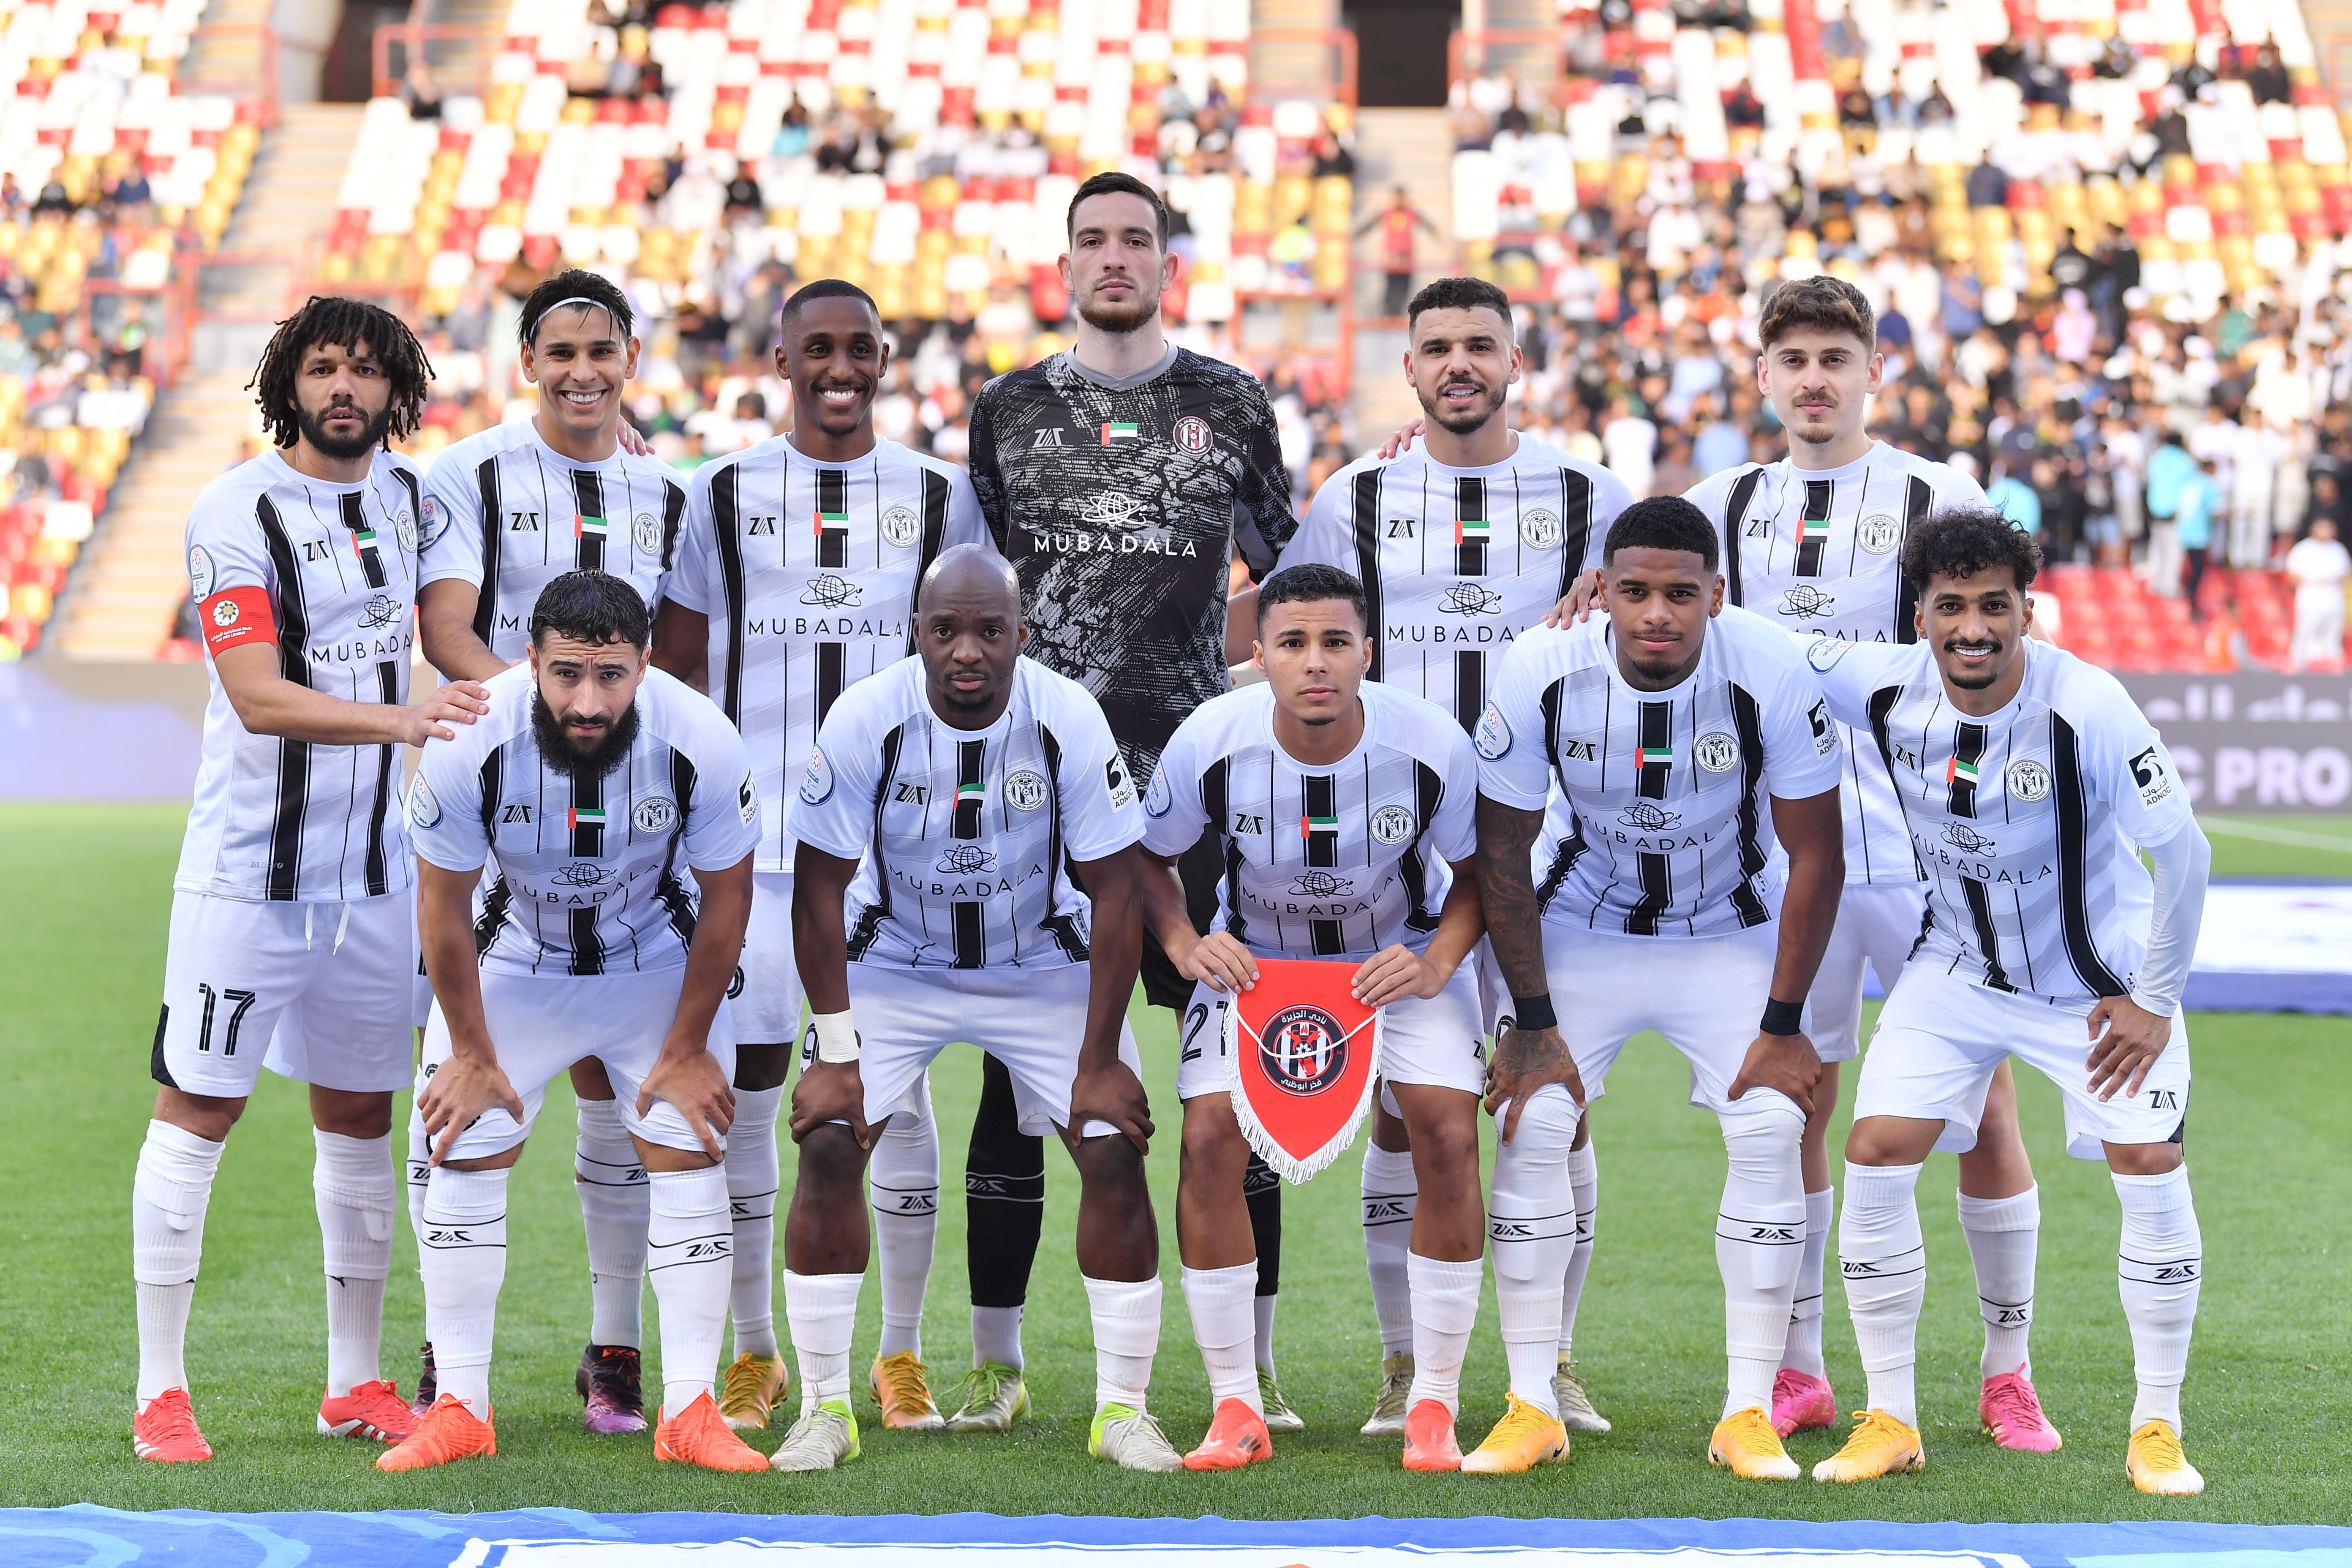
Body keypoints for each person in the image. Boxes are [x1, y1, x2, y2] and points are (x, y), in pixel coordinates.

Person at [1675, 274, 2055, 1450]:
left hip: (1925, 847)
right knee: (1793, 1086)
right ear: (1763, 375)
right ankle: (1799, 1367)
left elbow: (2007, 656)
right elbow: (1641, 601)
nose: (1814, 379)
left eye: (1836, 357)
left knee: (1982, 1096)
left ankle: (2008, 1368)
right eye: (1792, 359)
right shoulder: (1717, 502)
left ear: (1875, 370)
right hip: (1782, 850)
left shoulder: (1940, 494)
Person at [950, 169, 1299, 1432]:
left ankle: (1247, 1357)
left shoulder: (1228, 401)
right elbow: (968, 596)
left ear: (1165, 262)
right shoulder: (1007, 409)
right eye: (1091, 240)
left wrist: (1247, 675)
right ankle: (998, 1362)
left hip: (1200, 794)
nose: (1113, 258)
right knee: (1016, 1077)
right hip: (1040, 799)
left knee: (1234, 1081)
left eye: (1134, 239)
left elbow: (1293, 564)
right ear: (1065, 263)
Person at [131, 297, 487, 1463]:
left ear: (399, 387)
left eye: (367, 370)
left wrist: (617, 436)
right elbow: (254, 692)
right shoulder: (233, 507)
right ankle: (160, 1391)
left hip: (384, 876)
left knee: (358, 1113)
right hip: (250, 872)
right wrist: (403, 723)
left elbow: (451, 633)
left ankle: (354, 1381)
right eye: (325, 367)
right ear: (290, 379)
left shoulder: (420, 499)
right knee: (201, 1105)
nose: (346, 387)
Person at [1799, 507, 2212, 1496]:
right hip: (1957, 969)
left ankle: (2156, 1425)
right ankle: (1889, 1415)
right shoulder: (1885, 686)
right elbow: (1765, 647)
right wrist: (1607, 595)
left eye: (1993, 606)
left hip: (2095, 992)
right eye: (1951, 606)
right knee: (1876, 1144)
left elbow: (2183, 853)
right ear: (1920, 614)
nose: (1972, 627)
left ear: (2028, 612)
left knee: (2146, 1157)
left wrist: (2152, 1002)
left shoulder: (2091, 705)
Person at [1282, 275, 1632, 1439]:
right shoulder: (1358, 496)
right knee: (1403, 1109)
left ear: (1516, 360)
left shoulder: (1593, 496)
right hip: (1405, 854)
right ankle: (1402, 1365)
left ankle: (1555, 1362)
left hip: (1553, 849)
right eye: (1438, 348)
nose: (1459, 365)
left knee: (1557, 1102)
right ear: (1412, 369)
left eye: (1481, 344)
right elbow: (1303, 635)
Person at [653, 278, 989, 1435]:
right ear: (782, 360)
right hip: (754, 860)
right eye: (817, 351)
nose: (839, 369)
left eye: (860, 350)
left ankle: (899, 1356)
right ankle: (756, 1354)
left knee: (890, 1101)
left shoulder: (943, 498)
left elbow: (972, 666)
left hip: (894, 858)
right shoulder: (724, 493)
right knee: (749, 1099)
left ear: (888, 359)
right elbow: (680, 674)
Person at [774, 546, 1172, 1473]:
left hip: (1039, 959)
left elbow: (1116, 892)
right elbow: (819, 891)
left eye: (989, 630)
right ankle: (827, 1403)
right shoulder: (866, 715)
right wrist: (836, 1047)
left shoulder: (1067, 715)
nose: (966, 650)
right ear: (915, 631)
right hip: (898, 959)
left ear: (1021, 636)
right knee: (830, 1132)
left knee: (1114, 1145)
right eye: (945, 628)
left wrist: (1103, 1053)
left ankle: (1124, 1407)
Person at [1473, 495, 1846, 1482]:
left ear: (1716, 596)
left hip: (1726, 935)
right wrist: (1533, 1023)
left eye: (1680, 594)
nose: (1655, 613)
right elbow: (1501, 849)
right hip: (1580, 931)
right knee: (1533, 1122)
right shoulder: (1538, 664)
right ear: (1600, 592)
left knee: (1770, 1125)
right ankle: (1529, 1400)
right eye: (1633, 590)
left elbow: (1817, 856)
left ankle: (1745, 1410)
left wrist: (1782, 1022)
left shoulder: (1770, 668)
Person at [384, 570, 761, 1473]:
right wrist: (470, 1050)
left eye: (611, 675)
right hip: (514, 961)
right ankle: (462, 1408)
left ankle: (693, 1411)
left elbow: (727, 899)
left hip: (654, 966)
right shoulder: (470, 734)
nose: (587, 701)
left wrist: (683, 1048)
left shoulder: (702, 737)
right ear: (530, 661)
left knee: (689, 1137)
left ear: (645, 665)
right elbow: (442, 908)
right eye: (566, 674)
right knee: (459, 1138)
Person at [414, 267, 691, 1434]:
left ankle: (614, 1351)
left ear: (631, 358)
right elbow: (446, 625)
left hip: (632, 803)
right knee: (456, 1068)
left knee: (610, 1079)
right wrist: (538, 724)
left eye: (603, 350)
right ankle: (447, 1357)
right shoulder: (469, 470)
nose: (583, 371)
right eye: (559, 350)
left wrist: (635, 747)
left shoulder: (670, 492)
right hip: (497, 788)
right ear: (526, 361)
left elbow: (680, 648)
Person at [1142, 563, 1490, 1473]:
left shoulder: (1430, 743)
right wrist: (1182, 940)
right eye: (1292, 642)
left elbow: (1486, 871)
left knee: (1448, 1131)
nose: (1316, 662)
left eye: (1336, 641)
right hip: (1258, 969)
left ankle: (1433, 1403)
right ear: (1258, 655)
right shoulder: (1210, 737)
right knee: (1210, 1136)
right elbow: (1146, 856)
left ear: (1367, 651)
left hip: (1394, 965)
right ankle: (1236, 1404)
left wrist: (1439, 960)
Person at [1358, 188, 1440, 319]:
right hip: (1391, 256)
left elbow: (1428, 226)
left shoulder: (1411, 213)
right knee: (1391, 285)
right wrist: (1356, 237)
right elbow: (1368, 225)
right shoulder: (1387, 213)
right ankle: (1390, 313)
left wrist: (1440, 239)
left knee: (1405, 286)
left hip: (1407, 257)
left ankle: (1402, 312)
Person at [2286, 517, 2350, 672]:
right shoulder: (2303, 549)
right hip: (2311, 602)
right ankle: (2296, 667)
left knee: (2332, 639)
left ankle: (2335, 670)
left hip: (2334, 603)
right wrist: (2316, 581)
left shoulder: (2338, 550)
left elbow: (2346, 574)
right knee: (2304, 635)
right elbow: (2292, 577)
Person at [2177, 458, 2220, 620]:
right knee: (2197, 571)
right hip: (2199, 535)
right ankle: (2192, 601)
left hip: (2184, 533)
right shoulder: (2207, 485)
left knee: (2190, 569)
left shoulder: (2186, 484)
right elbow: (2216, 509)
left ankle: (2189, 597)